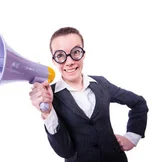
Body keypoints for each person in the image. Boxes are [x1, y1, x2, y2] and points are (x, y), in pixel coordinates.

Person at [29, 27, 149, 162]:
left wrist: (132, 136)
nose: (69, 62)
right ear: (54, 61)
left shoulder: (102, 84)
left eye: (76, 52)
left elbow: (138, 103)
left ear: (83, 54)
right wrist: (47, 112)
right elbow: (65, 151)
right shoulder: (50, 95)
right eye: (60, 55)